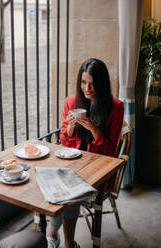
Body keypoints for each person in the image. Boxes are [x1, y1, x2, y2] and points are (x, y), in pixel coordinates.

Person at [47, 58, 124, 248]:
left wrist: (93, 129)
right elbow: (65, 141)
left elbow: (111, 153)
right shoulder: (72, 101)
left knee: (70, 192)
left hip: (98, 170)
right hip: (73, 163)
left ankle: (60, 240)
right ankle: (62, 240)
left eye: (92, 83)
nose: (87, 88)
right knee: (51, 182)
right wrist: (71, 129)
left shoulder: (115, 107)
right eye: (83, 82)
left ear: (102, 83)